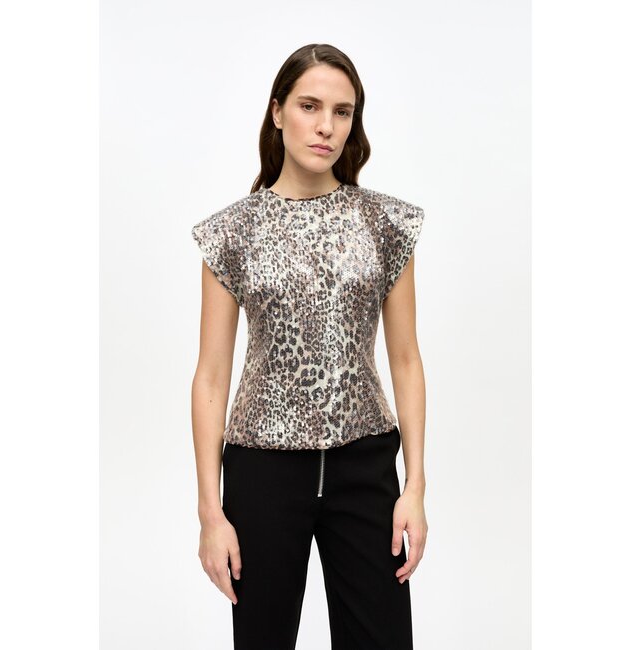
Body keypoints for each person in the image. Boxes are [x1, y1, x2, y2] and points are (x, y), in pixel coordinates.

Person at [190, 43, 428, 650]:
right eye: (309, 106)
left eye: (343, 112)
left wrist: (415, 486)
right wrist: (211, 512)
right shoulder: (232, 232)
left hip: (365, 465)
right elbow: (211, 375)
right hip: (262, 470)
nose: (326, 126)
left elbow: (406, 359)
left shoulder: (386, 224)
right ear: (277, 112)